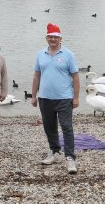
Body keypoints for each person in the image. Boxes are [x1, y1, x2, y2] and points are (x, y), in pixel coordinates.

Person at [31, 23, 79, 175]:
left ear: (60, 38)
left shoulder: (68, 55)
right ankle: (55, 152)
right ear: (46, 38)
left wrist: (76, 97)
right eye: (50, 37)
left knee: (66, 127)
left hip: (64, 98)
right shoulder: (40, 54)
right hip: (45, 97)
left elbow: (75, 76)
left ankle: (70, 157)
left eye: (55, 37)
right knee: (49, 127)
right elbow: (36, 75)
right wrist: (33, 95)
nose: (53, 39)